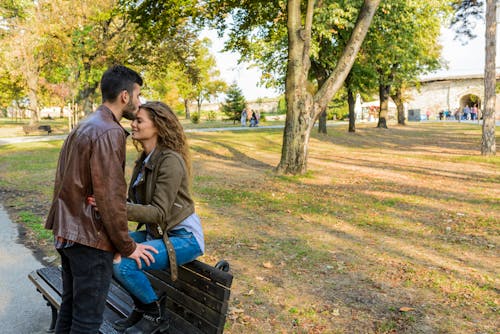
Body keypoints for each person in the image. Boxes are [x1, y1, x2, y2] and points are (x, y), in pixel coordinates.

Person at [45, 65, 158, 334]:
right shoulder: (109, 132)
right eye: (138, 95)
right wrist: (128, 246)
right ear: (124, 96)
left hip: (69, 234)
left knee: (70, 310)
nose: (139, 102)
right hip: (89, 239)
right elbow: (109, 199)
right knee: (87, 321)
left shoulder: (85, 124)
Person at [110, 101, 205, 334]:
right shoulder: (145, 159)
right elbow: (136, 204)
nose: (132, 124)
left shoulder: (170, 160)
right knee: (106, 246)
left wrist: (115, 207)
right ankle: (143, 306)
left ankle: (155, 314)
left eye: (139, 120)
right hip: (158, 233)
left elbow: (159, 213)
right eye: (133, 119)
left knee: (123, 265)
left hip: (184, 237)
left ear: (158, 127)